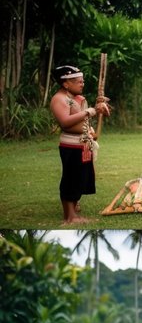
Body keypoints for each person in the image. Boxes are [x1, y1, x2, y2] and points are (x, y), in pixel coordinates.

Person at [50, 64, 109, 225]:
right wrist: (89, 111)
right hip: (70, 146)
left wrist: (90, 128)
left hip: (82, 144)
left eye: (82, 81)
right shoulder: (59, 99)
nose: (82, 84)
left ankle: (73, 210)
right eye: (78, 81)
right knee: (71, 179)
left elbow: (82, 120)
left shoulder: (73, 99)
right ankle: (69, 217)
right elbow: (64, 122)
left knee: (80, 179)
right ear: (66, 83)